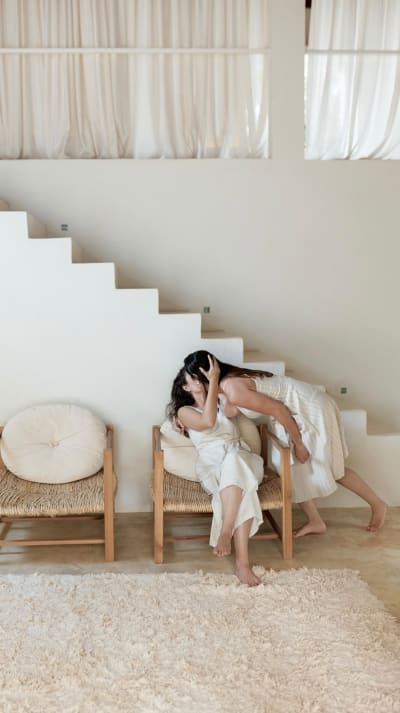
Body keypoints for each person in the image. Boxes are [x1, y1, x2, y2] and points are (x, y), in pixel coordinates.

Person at [182, 350, 387, 538]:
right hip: (292, 414)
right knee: (293, 469)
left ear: (203, 377)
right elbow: (230, 412)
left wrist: (299, 443)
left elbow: (279, 409)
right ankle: (316, 521)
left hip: (308, 409)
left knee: (331, 466)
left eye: (191, 378)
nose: (190, 383)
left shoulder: (232, 388)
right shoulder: (226, 386)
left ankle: (377, 504)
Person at [167, 355, 265, 586]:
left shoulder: (221, 398)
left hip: (243, 458)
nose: (198, 380)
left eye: (199, 377)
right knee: (245, 491)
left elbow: (230, 412)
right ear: (185, 387)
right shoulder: (184, 412)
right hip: (213, 468)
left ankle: (225, 530)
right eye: (192, 379)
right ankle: (243, 565)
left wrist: (216, 385)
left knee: (234, 460)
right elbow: (208, 422)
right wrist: (212, 383)